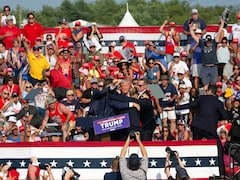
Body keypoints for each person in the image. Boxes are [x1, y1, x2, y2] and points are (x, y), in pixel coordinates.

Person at [190, 18, 224, 93]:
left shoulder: (214, 43)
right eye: (207, 41)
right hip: (205, 67)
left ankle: (212, 97)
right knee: (205, 84)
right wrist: (190, 27)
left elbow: (219, 33)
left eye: (209, 41)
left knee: (213, 84)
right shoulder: (202, 43)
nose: (208, 43)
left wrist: (221, 24)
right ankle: (205, 97)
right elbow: (193, 36)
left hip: (213, 66)